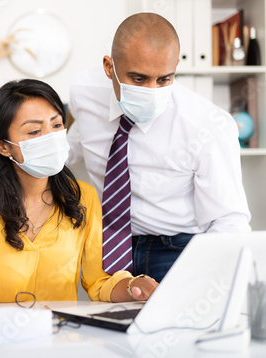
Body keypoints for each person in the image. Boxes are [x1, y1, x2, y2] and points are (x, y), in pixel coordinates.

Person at [0, 79, 158, 316]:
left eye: (56, 126)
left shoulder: (83, 197)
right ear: (3, 146)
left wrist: (133, 286)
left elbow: (99, 282)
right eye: (34, 131)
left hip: (58, 336)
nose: (50, 138)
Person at [67, 13, 251, 283]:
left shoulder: (207, 125)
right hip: (106, 247)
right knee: (107, 324)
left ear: (175, 66)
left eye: (164, 79)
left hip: (175, 251)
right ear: (109, 67)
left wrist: (203, 281)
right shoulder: (85, 91)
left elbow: (229, 220)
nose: (152, 91)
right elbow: (73, 144)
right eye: (139, 79)